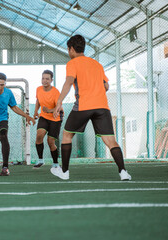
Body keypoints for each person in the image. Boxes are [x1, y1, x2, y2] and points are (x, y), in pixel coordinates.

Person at [51, 35, 132, 181]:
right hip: (102, 106)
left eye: (68, 49)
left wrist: (59, 102)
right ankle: (123, 172)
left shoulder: (73, 63)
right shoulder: (97, 64)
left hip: (84, 105)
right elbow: (106, 85)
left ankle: (65, 172)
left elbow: (69, 82)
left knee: (67, 135)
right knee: (110, 141)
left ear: (71, 49)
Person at [33, 70, 63, 170]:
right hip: (44, 117)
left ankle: (55, 163)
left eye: (47, 79)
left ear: (51, 80)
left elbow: (59, 108)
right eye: (43, 78)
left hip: (55, 118)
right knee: (39, 135)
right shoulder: (38, 89)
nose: (44, 80)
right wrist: (36, 111)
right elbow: (38, 100)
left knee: (50, 142)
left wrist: (49, 110)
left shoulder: (55, 92)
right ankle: (40, 160)